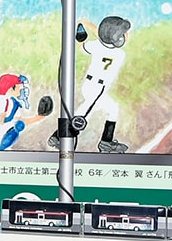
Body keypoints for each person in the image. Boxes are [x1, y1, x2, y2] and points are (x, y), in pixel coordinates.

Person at [49, 16, 132, 153]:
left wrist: (84, 28)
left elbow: (98, 39)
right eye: (122, 33)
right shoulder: (119, 54)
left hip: (91, 85)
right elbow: (104, 37)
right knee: (83, 115)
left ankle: (105, 142)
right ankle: (59, 137)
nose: (125, 35)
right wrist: (89, 25)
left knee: (111, 109)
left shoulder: (95, 46)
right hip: (98, 88)